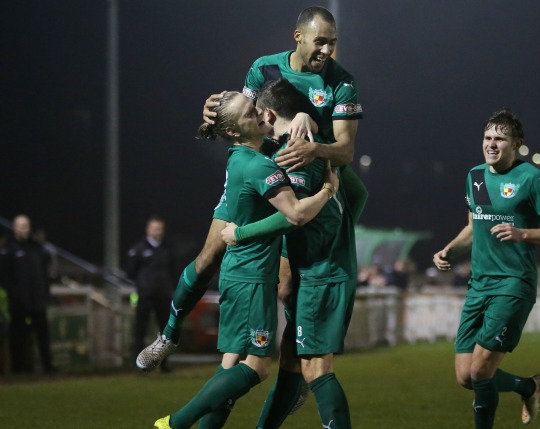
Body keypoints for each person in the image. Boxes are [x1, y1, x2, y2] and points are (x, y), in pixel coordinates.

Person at [137, 5, 366, 373]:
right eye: (320, 42)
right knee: (208, 257)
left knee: (287, 286)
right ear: (299, 37)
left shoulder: (341, 82)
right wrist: (213, 114)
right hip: (253, 173)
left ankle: (291, 375)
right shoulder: (264, 69)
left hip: (294, 183)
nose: (326, 50)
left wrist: (314, 146)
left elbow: (346, 151)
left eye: (332, 43)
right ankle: (169, 335)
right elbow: (242, 113)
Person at [153, 90, 339, 429]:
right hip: (252, 279)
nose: (260, 114)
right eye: (250, 113)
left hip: (239, 274)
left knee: (230, 365)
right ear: (236, 131)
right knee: (256, 368)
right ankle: (175, 423)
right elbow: (295, 214)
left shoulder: (241, 157)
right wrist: (328, 190)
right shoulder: (257, 165)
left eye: (255, 107)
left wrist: (304, 117)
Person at [220, 77, 360, 429]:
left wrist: (239, 233)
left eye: (254, 114)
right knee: (292, 363)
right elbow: (359, 195)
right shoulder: (318, 144)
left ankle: (180, 421)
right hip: (326, 268)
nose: (254, 123)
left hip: (320, 274)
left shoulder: (294, 153)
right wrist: (339, 234)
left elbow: (292, 216)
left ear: (267, 114)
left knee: (315, 369)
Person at [432, 109, 540, 428]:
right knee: (466, 376)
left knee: (481, 372)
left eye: (499, 138)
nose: (491, 144)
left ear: (516, 143)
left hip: (513, 283)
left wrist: (524, 233)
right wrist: (449, 250)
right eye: (487, 137)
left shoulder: (531, 178)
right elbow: (474, 226)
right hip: (478, 284)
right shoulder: (476, 176)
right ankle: (528, 386)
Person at [0, 214, 56, 374]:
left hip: (37, 301)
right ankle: (18, 369)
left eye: (27, 226)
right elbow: (4, 276)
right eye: (21, 226)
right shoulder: (8, 249)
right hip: (18, 303)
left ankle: (48, 367)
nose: (25, 229)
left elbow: (45, 272)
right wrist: (14, 294)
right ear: (14, 228)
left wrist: (44, 293)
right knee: (18, 337)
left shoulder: (37, 248)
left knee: (43, 336)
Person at [126, 216, 176, 371]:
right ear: (148, 230)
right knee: (140, 330)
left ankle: (164, 365)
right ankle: (138, 365)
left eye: (160, 228)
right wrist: (143, 286)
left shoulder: (167, 249)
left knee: (165, 333)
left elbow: (173, 271)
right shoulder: (138, 249)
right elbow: (130, 272)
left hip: (163, 295)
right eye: (155, 228)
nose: (158, 231)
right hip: (145, 296)